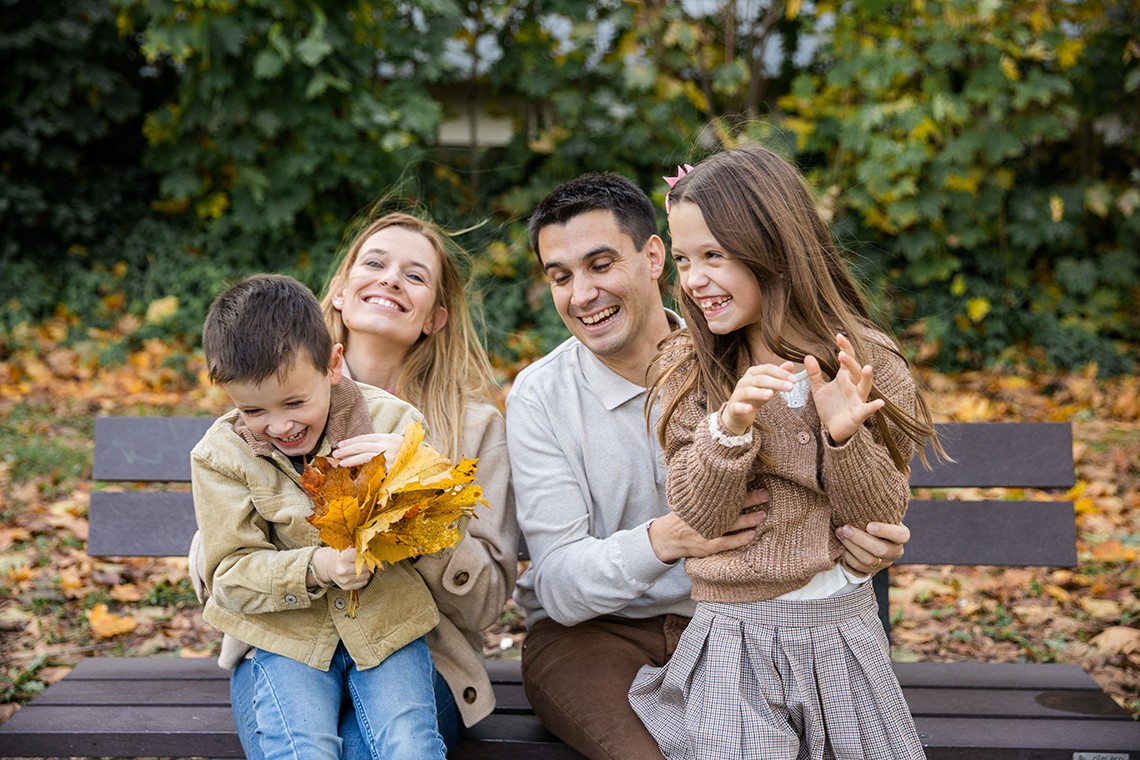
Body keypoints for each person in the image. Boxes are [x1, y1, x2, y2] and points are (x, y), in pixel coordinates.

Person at [506, 171, 913, 760]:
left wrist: (876, 543)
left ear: (652, 258)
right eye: (559, 277)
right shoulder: (541, 396)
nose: (581, 294)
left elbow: (853, 487)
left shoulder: (733, 355)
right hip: (603, 633)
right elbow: (561, 588)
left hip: (759, 625)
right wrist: (668, 539)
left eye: (600, 265)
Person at [626, 144, 940, 759]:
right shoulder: (690, 369)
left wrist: (845, 437)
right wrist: (732, 425)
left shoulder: (868, 363)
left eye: (713, 256)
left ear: (773, 249)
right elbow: (701, 515)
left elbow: (877, 516)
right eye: (684, 260)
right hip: (733, 640)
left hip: (842, 628)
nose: (692, 281)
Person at [194, 212, 518, 758]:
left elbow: (485, 602)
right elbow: (220, 566)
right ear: (340, 292)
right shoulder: (264, 385)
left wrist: (418, 484)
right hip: (288, 637)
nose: (391, 278)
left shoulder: (468, 426)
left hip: (414, 645)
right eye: (375, 263)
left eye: (414, 276)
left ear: (436, 316)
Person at [191, 273, 447, 760]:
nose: (280, 425)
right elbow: (228, 574)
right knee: (301, 749)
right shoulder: (219, 457)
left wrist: (417, 473)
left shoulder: (394, 424)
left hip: (387, 626)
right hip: (288, 637)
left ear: (332, 364)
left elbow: (444, 535)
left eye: (295, 402)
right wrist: (317, 567)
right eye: (253, 410)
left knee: (410, 744)